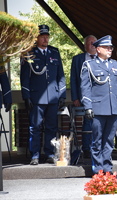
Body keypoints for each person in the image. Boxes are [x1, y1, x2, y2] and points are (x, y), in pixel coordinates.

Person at [80, 35, 117, 174]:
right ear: (98, 49)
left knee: (109, 141)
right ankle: (98, 170)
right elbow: (85, 87)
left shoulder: (116, 65)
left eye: (111, 47)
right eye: (107, 47)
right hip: (98, 108)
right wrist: (87, 106)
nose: (110, 50)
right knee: (97, 141)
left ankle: (108, 169)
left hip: (113, 108)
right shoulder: (89, 65)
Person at [20, 25, 66, 165]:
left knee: (51, 127)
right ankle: (35, 155)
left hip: (53, 97)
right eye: (42, 36)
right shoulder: (29, 53)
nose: (46, 38)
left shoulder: (54, 52)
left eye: (47, 36)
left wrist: (62, 95)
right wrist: (26, 96)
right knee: (35, 127)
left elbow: (60, 76)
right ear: (37, 38)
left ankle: (50, 153)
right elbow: (25, 77)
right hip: (36, 97)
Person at [70, 35, 97, 158]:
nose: (92, 45)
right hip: (83, 97)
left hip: (99, 97)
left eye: (94, 43)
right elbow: (74, 79)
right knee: (87, 122)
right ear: (85, 45)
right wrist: (75, 97)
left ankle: (97, 147)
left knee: (98, 123)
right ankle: (86, 148)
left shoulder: (101, 58)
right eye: (89, 43)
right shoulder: (78, 59)